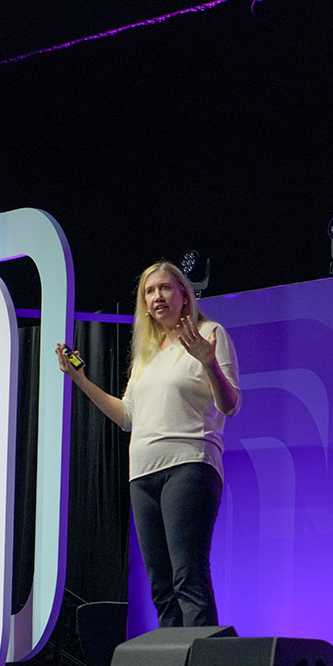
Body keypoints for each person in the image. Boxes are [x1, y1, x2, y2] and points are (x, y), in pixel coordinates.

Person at [56, 261, 241, 627]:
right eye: (150, 291)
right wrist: (80, 380)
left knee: (188, 575)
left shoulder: (210, 333)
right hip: (142, 475)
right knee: (161, 585)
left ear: (184, 295)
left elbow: (230, 405)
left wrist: (209, 364)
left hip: (189, 466)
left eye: (166, 288)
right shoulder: (147, 352)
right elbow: (127, 416)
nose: (158, 296)